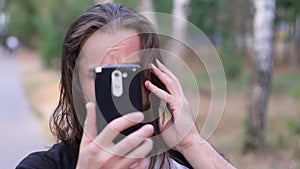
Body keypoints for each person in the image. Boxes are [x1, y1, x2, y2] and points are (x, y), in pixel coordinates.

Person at [16, 3, 236, 169]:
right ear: (76, 84)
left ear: (151, 78)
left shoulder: (187, 157)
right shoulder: (44, 165)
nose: (114, 90)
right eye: (100, 74)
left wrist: (191, 142)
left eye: (127, 73)